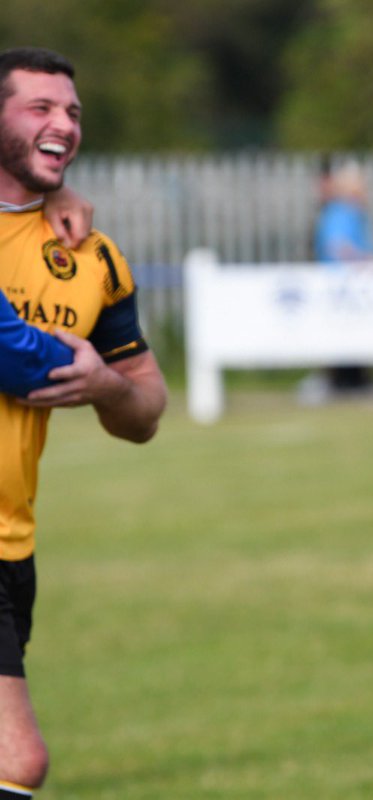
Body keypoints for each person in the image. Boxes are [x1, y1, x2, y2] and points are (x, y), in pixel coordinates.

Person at [0, 47, 168, 798]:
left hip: (14, 543)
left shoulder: (91, 257)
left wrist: (103, 384)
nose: (62, 124)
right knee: (18, 761)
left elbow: (146, 411)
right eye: (40, 108)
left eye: (71, 112)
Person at [305, 158, 373, 397]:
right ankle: (342, 383)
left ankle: (354, 381)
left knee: (353, 337)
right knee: (342, 336)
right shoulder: (342, 212)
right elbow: (338, 247)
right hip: (341, 286)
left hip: (349, 286)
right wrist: (366, 263)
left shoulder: (350, 212)